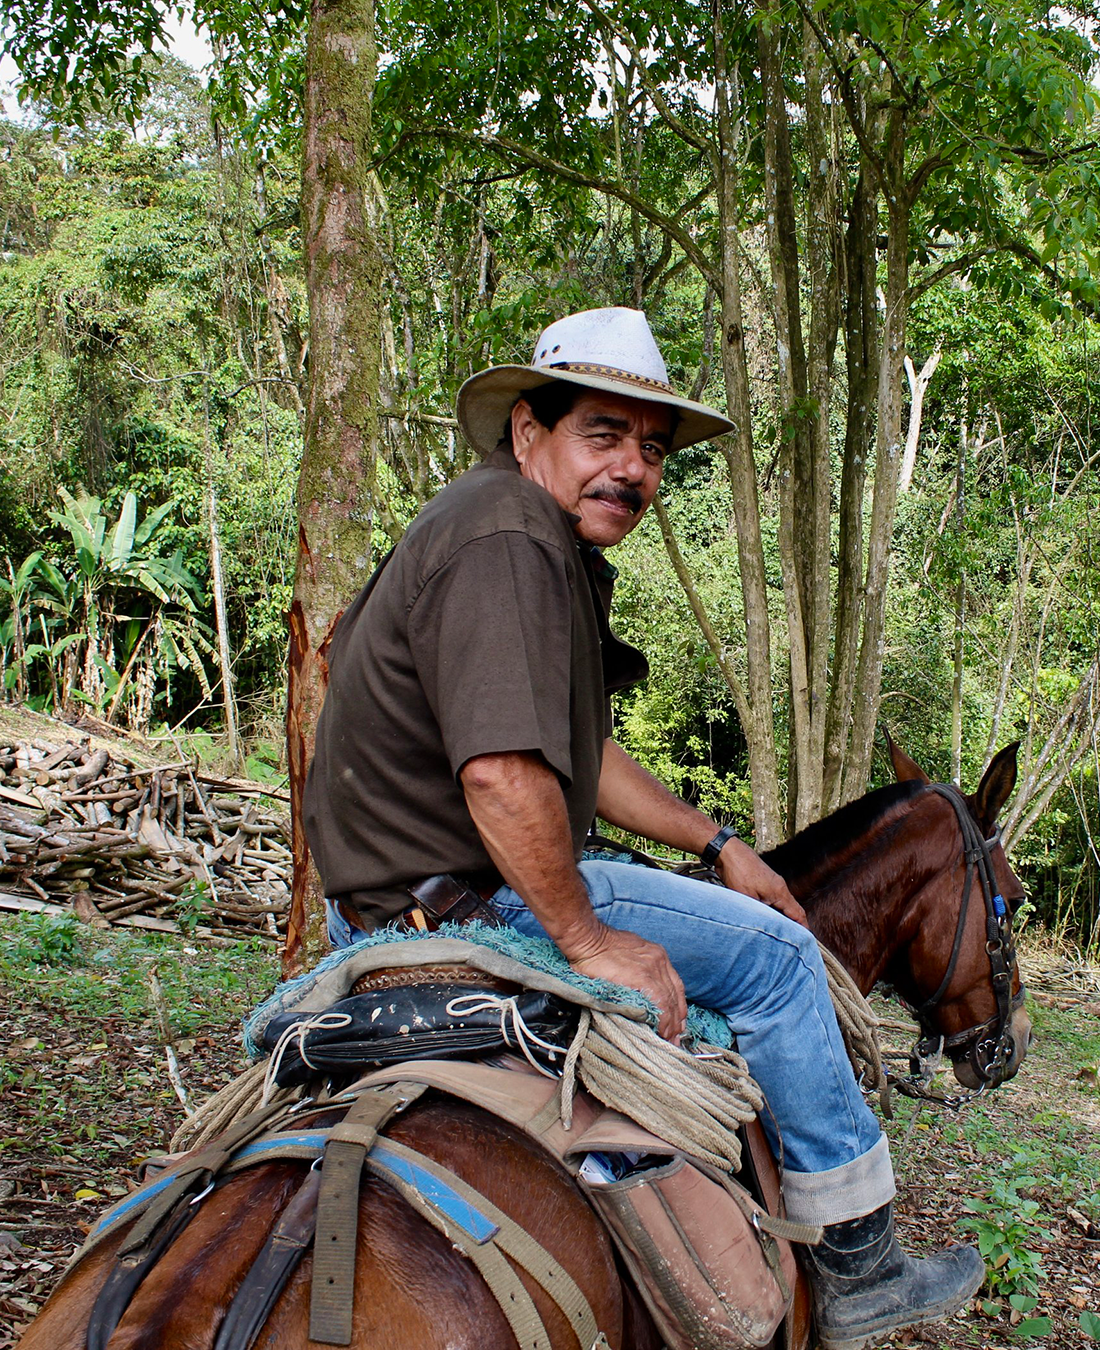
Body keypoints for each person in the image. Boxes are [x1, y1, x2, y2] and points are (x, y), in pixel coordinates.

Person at [303, 307, 983, 1349]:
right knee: (780, 959)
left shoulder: (513, 529)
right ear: (527, 430)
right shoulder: (508, 537)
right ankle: (859, 1264)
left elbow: (584, 754)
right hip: (468, 900)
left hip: (398, 892)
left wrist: (718, 843)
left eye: (653, 449)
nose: (631, 468)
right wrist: (587, 940)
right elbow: (500, 774)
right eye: (603, 435)